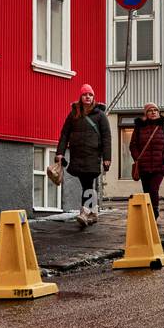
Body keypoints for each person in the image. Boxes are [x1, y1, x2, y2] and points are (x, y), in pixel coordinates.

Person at [56, 83, 111, 227]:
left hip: (93, 155)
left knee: (87, 183)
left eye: (90, 94)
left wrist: (107, 158)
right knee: (86, 184)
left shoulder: (100, 115)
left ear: (93, 97)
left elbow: (106, 137)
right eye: (85, 94)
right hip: (77, 155)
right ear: (80, 97)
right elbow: (64, 134)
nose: (88, 96)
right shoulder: (74, 114)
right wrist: (60, 153)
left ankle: (85, 213)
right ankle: (92, 213)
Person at [128, 102, 164, 219]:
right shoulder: (139, 128)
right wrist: (138, 158)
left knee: (154, 189)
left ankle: (154, 212)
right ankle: (148, 212)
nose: (154, 112)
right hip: (144, 166)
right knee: (146, 191)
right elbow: (133, 145)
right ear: (146, 113)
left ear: (159, 113)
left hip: (159, 166)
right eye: (150, 110)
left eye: (156, 110)